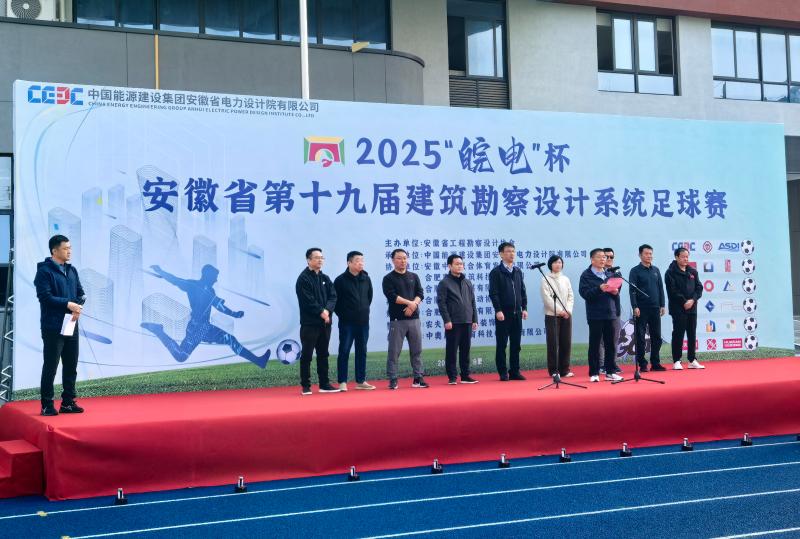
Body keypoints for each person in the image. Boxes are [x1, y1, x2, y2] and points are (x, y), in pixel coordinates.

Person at [142, 264, 271, 367]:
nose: (216, 280)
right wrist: (161, 271)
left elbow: (219, 306)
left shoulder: (210, 290)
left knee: (230, 339)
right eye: (215, 277)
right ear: (207, 275)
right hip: (197, 328)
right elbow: (175, 280)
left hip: (205, 327)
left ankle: (258, 361)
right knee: (181, 356)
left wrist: (234, 314)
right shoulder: (192, 285)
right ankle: (158, 331)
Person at [34, 235, 86, 416]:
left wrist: (77, 307)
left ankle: (68, 402)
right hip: (53, 326)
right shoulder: (44, 272)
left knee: (71, 365)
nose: (69, 251)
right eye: (65, 248)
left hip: (71, 323)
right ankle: (47, 405)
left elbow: (81, 293)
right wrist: (68, 304)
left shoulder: (72, 270)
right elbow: (45, 297)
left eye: (70, 248)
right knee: (51, 366)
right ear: (54, 251)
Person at [295, 248, 339, 395]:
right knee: (307, 355)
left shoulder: (325, 278)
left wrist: (327, 311)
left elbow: (333, 296)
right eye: (316, 257)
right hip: (309, 324)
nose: (320, 260)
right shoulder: (303, 279)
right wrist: (322, 312)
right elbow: (308, 301)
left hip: (325, 323)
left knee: (323, 354)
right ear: (308, 260)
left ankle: (324, 384)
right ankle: (306, 386)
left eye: (322, 257)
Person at [382, 249, 427, 389]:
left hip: (414, 319)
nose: (403, 261)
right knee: (394, 351)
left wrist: (414, 305)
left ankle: (418, 378)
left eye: (405, 258)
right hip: (397, 320)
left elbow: (420, 293)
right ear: (393, 260)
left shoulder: (414, 276)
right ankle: (393, 379)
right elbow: (392, 296)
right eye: (399, 258)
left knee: (417, 350)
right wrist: (410, 303)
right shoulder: (388, 278)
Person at [578, 248, 623, 382]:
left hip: (610, 313)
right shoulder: (586, 275)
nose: (603, 259)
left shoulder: (610, 273)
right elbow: (585, 294)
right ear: (592, 259)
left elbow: (616, 292)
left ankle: (610, 371)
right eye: (600, 257)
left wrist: (615, 292)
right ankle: (594, 373)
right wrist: (599, 289)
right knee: (595, 344)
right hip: (595, 315)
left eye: (604, 257)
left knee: (611, 344)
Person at [333, 251, 376, 391]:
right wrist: (344, 315)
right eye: (357, 260)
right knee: (344, 350)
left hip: (363, 322)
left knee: (361, 351)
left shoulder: (366, 278)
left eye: (362, 260)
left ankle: (361, 380)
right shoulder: (340, 280)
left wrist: (362, 311)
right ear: (349, 263)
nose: (361, 263)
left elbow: (369, 297)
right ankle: (342, 381)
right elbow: (334, 301)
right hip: (347, 323)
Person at [436, 254, 479, 385]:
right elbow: (441, 303)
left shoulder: (467, 282)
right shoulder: (444, 283)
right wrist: (446, 320)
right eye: (457, 264)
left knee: (466, 350)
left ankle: (465, 375)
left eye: (461, 264)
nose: (460, 266)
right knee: (452, 350)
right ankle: (452, 377)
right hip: (453, 322)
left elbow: (472, 302)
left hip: (467, 320)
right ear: (449, 266)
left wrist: (475, 319)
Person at [488, 242, 528, 381]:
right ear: (501, 254)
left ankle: (515, 371)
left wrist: (524, 308)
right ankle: (503, 372)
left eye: (513, 251)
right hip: (503, 314)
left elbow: (522, 291)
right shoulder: (496, 272)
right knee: (502, 344)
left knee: (516, 345)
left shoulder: (517, 271)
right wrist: (498, 310)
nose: (512, 254)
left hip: (517, 313)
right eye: (508, 251)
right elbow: (494, 294)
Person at [664, 247, 705, 370]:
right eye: (683, 257)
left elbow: (699, 288)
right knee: (678, 334)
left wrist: (693, 300)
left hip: (692, 307)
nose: (686, 259)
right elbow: (672, 291)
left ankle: (692, 360)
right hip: (678, 308)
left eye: (687, 256)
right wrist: (684, 301)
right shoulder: (670, 272)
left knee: (692, 334)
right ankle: (677, 360)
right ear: (676, 257)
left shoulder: (693, 272)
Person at [628, 244, 666, 372]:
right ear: (640, 255)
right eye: (646, 254)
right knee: (640, 337)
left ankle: (655, 363)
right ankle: (642, 363)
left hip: (655, 308)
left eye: (651, 254)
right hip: (641, 309)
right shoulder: (635, 271)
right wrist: (635, 306)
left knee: (657, 337)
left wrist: (662, 305)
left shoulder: (656, 270)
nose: (649, 256)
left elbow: (660, 288)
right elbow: (632, 291)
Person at [540, 255, 574, 378]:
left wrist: (568, 310)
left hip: (566, 315)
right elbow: (547, 299)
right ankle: (554, 370)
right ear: (550, 265)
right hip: (552, 315)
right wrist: (560, 311)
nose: (558, 264)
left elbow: (571, 296)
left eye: (560, 262)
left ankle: (564, 369)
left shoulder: (566, 279)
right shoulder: (545, 279)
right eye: (555, 262)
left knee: (566, 342)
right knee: (553, 343)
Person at [598, 247, 622, 375]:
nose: (609, 259)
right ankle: (602, 365)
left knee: (614, 338)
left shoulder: (617, 272)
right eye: (606, 256)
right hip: (601, 310)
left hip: (614, 309)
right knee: (602, 339)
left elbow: (617, 290)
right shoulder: (597, 272)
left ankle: (612, 363)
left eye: (611, 257)